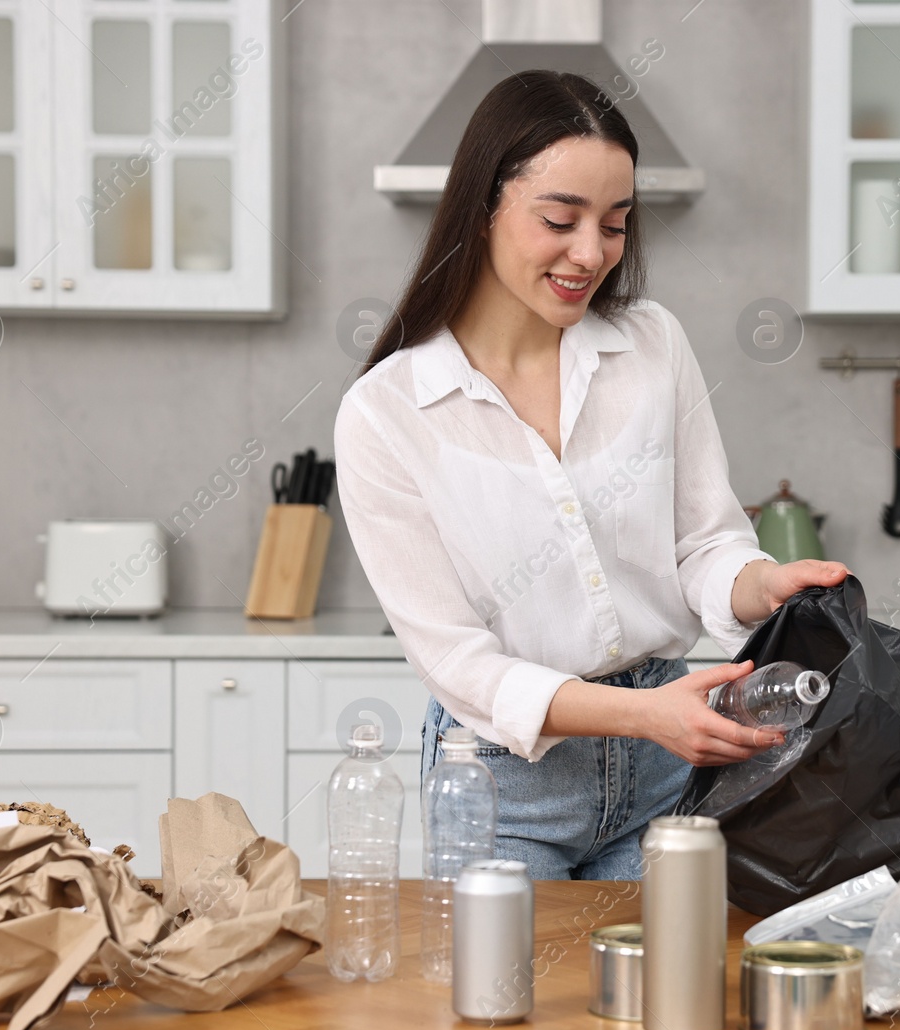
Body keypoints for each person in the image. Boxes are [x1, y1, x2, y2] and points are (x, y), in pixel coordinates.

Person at [333, 70, 848, 879]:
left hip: (668, 768)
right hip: (505, 784)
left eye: (615, 224)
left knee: (668, 999)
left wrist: (761, 584)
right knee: (505, 1002)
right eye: (560, 219)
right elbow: (457, 663)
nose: (592, 254)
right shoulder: (387, 412)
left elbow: (704, 541)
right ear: (482, 206)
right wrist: (641, 716)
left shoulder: (651, 346)